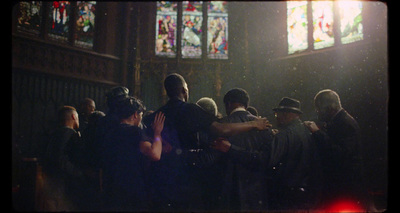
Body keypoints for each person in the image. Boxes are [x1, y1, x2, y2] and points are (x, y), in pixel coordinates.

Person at [142, 73, 271, 211]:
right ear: (185, 91)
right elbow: (221, 130)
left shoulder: (155, 116)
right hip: (188, 179)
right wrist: (254, 124)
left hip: (161, 180)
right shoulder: (191, 110)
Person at [304, 89, 368, 211]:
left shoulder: (345, 123)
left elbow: (340, 153)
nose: (318, 113)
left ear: (329, 108)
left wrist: (317, 133)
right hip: (342, 185)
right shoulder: (340, 121)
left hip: (345, 187)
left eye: (319, 109)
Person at [212, 88, 274, 211]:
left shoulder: (222, 125)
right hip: (257, 194)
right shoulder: (264, 127)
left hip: (228, 193)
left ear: (228, 104)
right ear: (246, 104)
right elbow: (266, 160)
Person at [102, 96, 165, 211]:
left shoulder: (110, 132)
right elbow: (155, 155)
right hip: (132, 187)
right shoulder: (135, 131)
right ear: (135, 114)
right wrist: (157, 134)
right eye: (141, 115)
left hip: (111, 187)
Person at [266, 97, 322, 210]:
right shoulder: (309, 132)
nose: (277, 118)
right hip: (308, 193)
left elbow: (268, 160)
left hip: (287, 195)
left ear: (286, 114)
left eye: (277, 114)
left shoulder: (284, 136)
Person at [43, 106, 92, 211]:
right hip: (62, 185)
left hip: (52, 183)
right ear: (74, 116)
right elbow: (60, 159)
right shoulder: (68, 133)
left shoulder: (55, 133)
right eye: (78, 117)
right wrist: (79, 172)